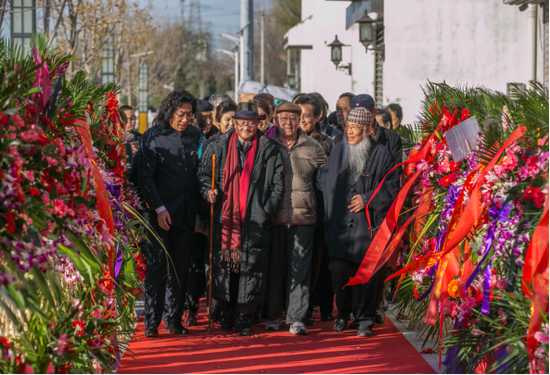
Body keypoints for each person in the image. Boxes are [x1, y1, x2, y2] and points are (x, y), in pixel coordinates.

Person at [199, 102, 284, 336]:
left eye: (251, 122)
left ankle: (245, 317)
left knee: (252, 268)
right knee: (226, 267)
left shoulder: (270, 149)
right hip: (225, 219)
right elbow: (204, 175)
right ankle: (226, 314)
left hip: (256, 219)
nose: (247, 127)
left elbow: (278, 187)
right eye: (242, 122)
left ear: (259, 123)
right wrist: (208, 191)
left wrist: (265, 211)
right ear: (234, 123)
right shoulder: (218, 146)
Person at [318, 107, 400, 338]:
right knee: (338, 271)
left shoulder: (382, 155)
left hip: (367, 224)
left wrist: (366, 199)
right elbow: (326, 181)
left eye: (355, 128)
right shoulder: (337, 151)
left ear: (368, 130)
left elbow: (392, 186)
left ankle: (364, 320)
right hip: (340, 226)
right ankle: (342, 314)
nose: (350, 132)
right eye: (347, 127)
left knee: (366, 275)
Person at [138, 89, 202, 337]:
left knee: (180, 268)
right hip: (160, 213)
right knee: (157, 267)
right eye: (181, 114)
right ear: (169, 112)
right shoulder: (152, 136)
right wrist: (159, 208)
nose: (185, 119)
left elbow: (197, 172)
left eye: (189, 114)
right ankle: (151, 322)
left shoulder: (196, 135)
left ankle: (174, 319)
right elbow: (145, 177)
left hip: (186, 214)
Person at [265, 102, 327, 336]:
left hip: (303, 218)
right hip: (274, 218)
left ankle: (296, 318)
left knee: (300, 270)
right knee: (275, 270)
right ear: (275, 120)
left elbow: (325, 180)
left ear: (300, 120)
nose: (288, 123)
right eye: (283, 119)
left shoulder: (313, 146)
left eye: (293, 118)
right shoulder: (267, 145)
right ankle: (273, 315)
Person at [350, 95, 403, 325]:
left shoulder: (390, 139)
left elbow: (393, 177)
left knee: (377, 264)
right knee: (352, 263)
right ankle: (357, 310)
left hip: (380, 210)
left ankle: (376, 305)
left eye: (367, 112)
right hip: (354, 212)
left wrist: (369, 198)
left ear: (373, 114)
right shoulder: (348, 139)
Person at [294, 94, 336, 324]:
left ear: (318, 116)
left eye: (307, 116)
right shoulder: (287, 140)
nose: (301, 121)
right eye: (298, 116)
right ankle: (300, 309)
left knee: (319, 262)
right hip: (295, 211)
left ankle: (318, 307)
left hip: (319, 211)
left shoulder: (329, 143)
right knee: (299, 262)